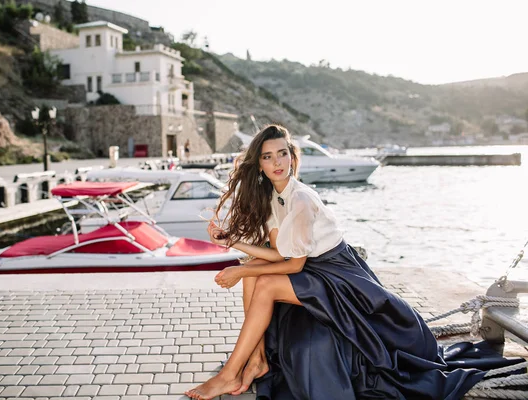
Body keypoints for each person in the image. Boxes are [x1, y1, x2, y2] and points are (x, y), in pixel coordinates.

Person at [185, 124, 485, 400]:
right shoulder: (275, 197)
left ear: (292, 157)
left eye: (282, 154)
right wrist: (233, 245)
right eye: (268, 157)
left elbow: (293, 266)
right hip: (316, 267)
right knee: (252, 274)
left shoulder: (300, 200)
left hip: (339, 273)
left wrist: (241, 268)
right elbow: (281, 254)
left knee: (260, 282)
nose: (277, 162)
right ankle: (257, 358)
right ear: (260, 165)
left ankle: (228, 376)